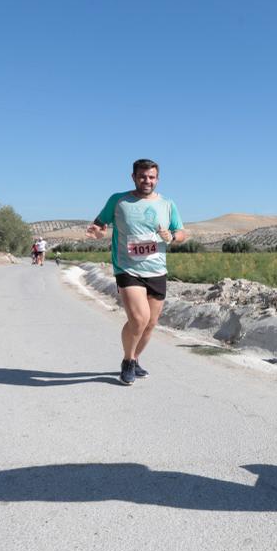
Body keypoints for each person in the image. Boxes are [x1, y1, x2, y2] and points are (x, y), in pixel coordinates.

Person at [86, 158, 187, 385]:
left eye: (151, 177)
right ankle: (128, 361)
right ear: (133, 177)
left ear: (157, 179)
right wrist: (97, 231)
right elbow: (100, 224)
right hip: (127, 267)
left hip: (157, 269)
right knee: (139, 319)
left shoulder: (168, 204)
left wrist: (172, 237)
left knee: (151, 323)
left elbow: (181, 232)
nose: (147, 181)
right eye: (142, 176)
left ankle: (136, 358)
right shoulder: (119, 201)